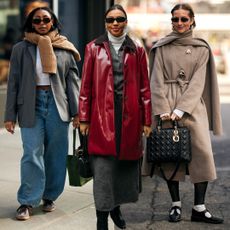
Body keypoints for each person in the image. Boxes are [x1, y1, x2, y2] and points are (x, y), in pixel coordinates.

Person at [142, 3, 224, 224]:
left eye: (183, 19)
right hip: (165, 107)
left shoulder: (202, 48)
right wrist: (164, 110)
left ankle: (199, 207)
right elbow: (156, 80)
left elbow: (198, 82)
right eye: (175, 19)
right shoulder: (160, 47)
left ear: (192, 20)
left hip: (192, 107)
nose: (179, 23)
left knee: (203, 155)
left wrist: (180, 109)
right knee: (169, 156)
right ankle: (175, 205)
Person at [79, 4, 152, 230]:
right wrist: (84, 117)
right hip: (100, 117)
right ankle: (102, 218)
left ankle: (116, 209)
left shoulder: (137, 48)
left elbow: (144, 88)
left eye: (120, 19)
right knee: (102, 170)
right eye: (111, 20)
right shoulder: (93, 48)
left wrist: (146, 119)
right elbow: (86, 87)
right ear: (105, 22)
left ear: (125, 21)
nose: (115, 24)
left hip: (129, 118)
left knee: (122, 169)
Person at [4, 7, 81, 220]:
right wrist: (9, 115)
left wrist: (77, 113)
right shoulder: (21, 48)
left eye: (46, 19)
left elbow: (72, 83)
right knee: (31, 153)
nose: (41, 23)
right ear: (31, 23)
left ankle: (49, 196)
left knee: (56, 154)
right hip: (31, 105)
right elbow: (13, 83)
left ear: (53, 22)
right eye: (36, 20)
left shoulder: (65, 48)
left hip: (58, 105)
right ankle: (27, 201)